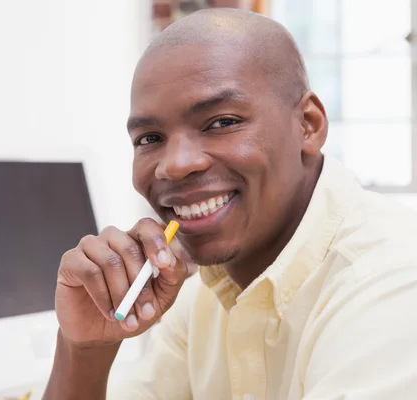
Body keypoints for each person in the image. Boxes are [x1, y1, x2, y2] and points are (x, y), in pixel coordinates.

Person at [42, 8, 417, 400]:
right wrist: (83, 351)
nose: (175, 165)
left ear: (308, 124)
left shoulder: (392, 286)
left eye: (222, 122)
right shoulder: (201, 296)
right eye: (149, 139)